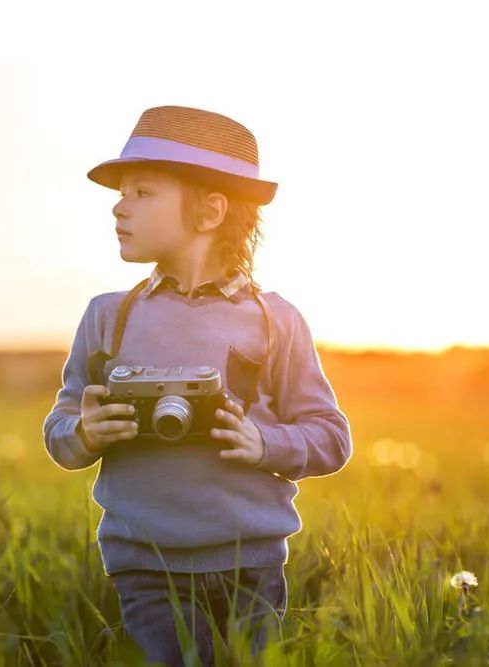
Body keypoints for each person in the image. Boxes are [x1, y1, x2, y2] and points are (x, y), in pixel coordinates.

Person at [43, 105, 353, 666]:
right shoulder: (108, 317)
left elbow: (330, 437)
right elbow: (60, 430)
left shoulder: (274, 320)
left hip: (250, 564)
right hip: (144, 563)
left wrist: (267, 444)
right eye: (122, 193)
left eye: (142, 192)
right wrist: (84, 433)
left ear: (210, 211)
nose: (118, 205)